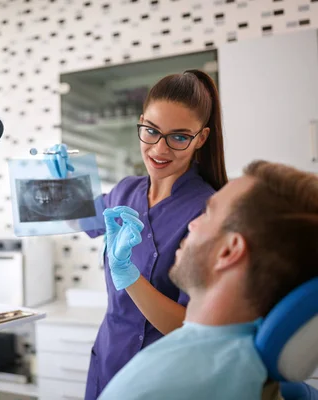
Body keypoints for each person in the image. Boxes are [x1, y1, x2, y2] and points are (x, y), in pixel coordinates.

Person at [47, 69, 228, 398]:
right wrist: (63, 182)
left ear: (200, 138)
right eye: (151, 131)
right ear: (142, 122)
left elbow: (193, 327)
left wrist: (128, 276)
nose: (159, 148)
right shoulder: (125, 191)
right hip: (109, 361)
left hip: (163, 377)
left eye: (178, 136)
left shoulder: (210, 212)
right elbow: (76, 219)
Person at [96, 160, 318, 399]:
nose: (192, 223)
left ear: (229, 251)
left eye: (208, 213)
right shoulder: (249, 358)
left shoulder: (151, 389)